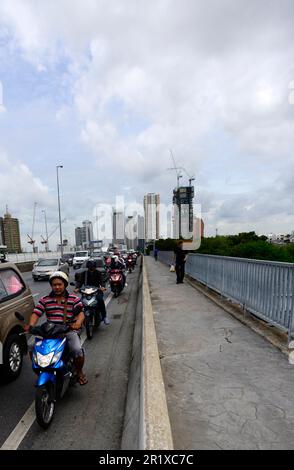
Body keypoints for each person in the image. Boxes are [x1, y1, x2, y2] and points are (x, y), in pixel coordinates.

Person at [25, 271, 88, 385]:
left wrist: (78, 323)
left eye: (59, 284)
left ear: (65, 285)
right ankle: (40, 369)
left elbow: (81, 313)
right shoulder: (45, 299)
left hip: (68, 330)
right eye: (54, 285)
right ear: (51, 286)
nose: (57, 287)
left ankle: (79, 372)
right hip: (50, 331)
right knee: (31, 345)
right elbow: (36, 313)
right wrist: (31, 326)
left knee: (77, 350)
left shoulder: (74, 299)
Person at [74, 259, 110, 325]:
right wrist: (77, 288)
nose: (91, 268)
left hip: (96, 291)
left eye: (93, 267)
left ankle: (104, 316)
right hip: (86, 292)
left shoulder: (98, 273)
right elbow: (79, 282)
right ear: (88, 267)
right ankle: (78, 318)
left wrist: (102, 287)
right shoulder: (84, 274)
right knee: (80, 303)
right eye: (90, 267)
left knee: (100, 300)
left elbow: (102, 281)